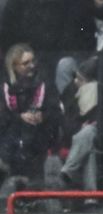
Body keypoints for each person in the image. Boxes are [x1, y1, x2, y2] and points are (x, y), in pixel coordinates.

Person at [0, 43, 61, 194]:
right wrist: (19, 117)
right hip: (11, 140)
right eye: (26, 63)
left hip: (39, 138)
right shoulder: (4, 88)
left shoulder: (45, 84)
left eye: (33, 61)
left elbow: (56, 112)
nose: (32, 66)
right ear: (14, 66)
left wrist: (43, 116)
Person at [58, 56, 99, 191]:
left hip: (100, 136)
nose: (75, 81)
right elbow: (67, 123)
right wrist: (80, 127)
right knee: (89, 149)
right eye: (75, 77)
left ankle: (68, 170)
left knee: (89, 131)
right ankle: (91, 197)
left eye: (80, 79)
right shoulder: (70, 93)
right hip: (78, 137)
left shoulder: (101, 92)